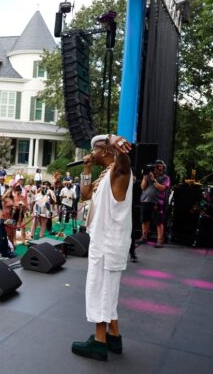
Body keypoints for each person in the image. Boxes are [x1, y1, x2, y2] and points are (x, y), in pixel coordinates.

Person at [71, 134, 132, 361]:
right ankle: (114, 336)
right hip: (104, 242)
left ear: (104, 152)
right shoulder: (106, 175)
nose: (91, 154)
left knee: (101, 291)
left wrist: (112, 140)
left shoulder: (118, 171)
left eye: (93, 151)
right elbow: (85, 195)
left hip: (108, 244)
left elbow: (125, 164)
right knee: (107, 290)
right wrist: (87, 170)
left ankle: (99, 342)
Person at [138, 160, 170, 248]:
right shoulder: (149, 176)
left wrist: (153, 180)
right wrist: (145, 177)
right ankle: (144, 237)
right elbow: (142, 187)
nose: (158, 168)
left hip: (157, 202)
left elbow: (162, 188)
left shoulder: (165, 178)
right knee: (145, 220)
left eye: (160, 166)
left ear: (164, 168)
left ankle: (160, 240)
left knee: (159, 221)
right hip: (145, 200)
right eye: (157, 166)